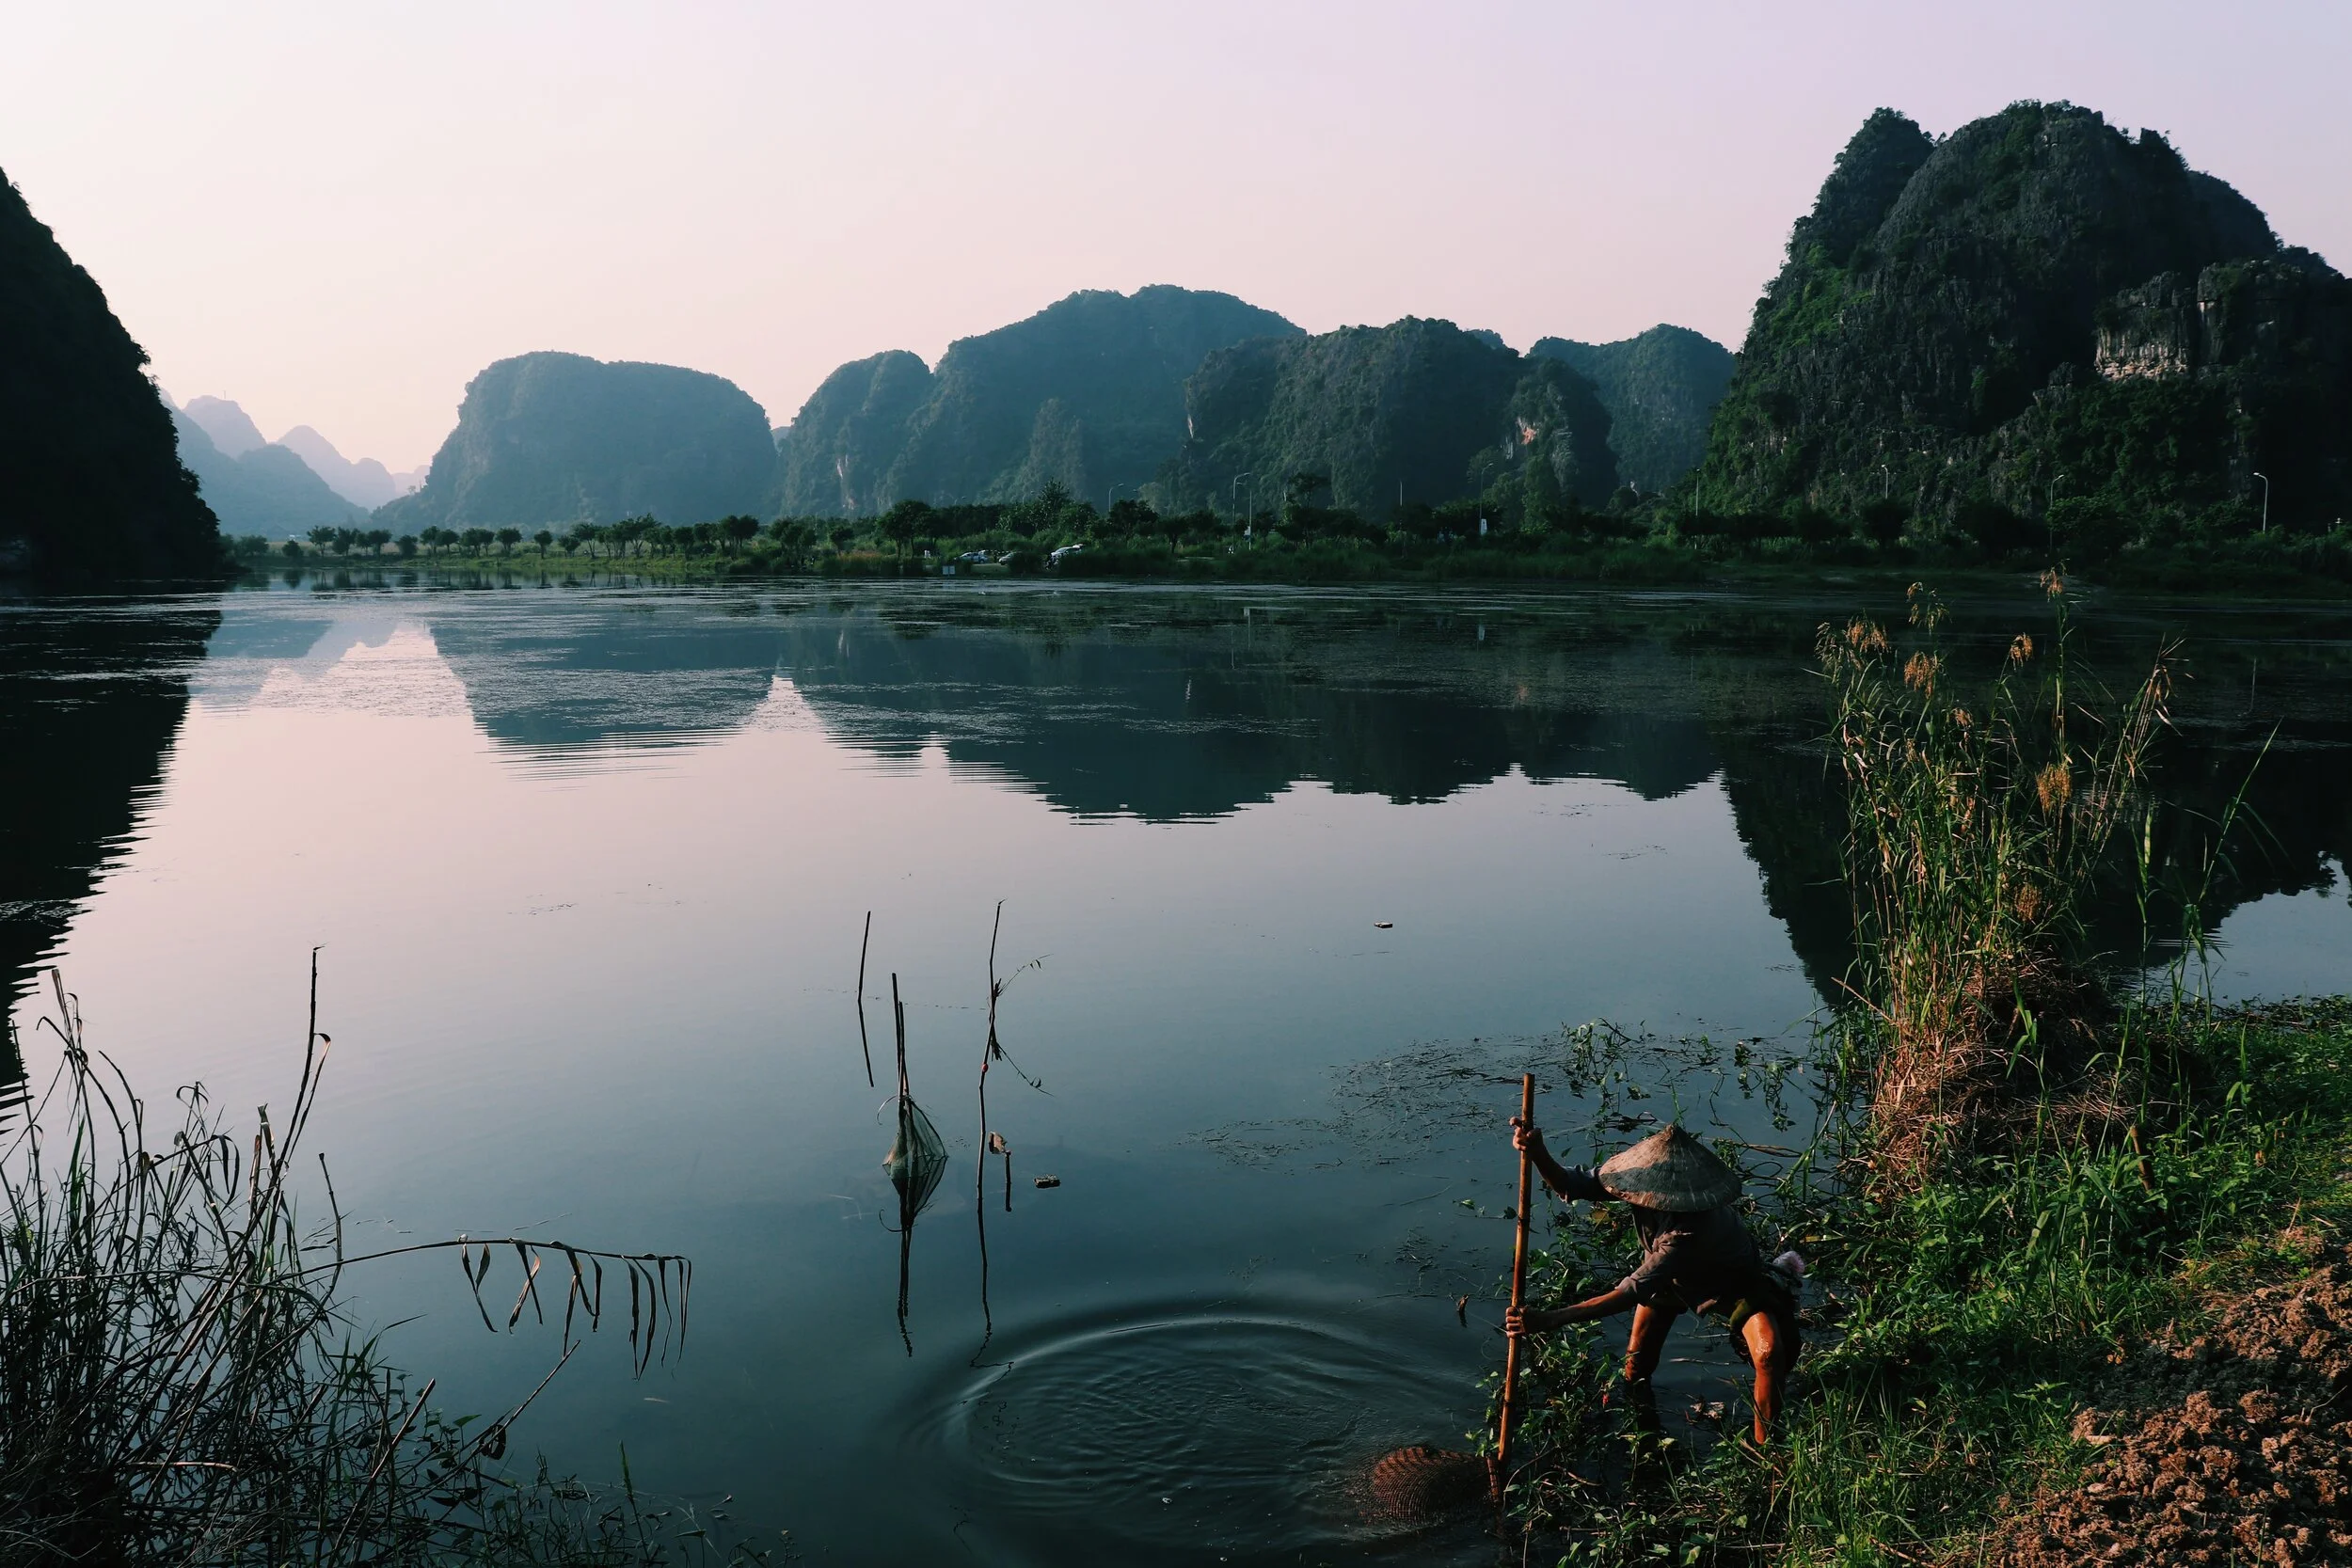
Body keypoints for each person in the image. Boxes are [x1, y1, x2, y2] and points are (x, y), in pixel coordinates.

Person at [1502, 1119, 1800, 1446]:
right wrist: (1537, 1151)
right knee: (1636, 1365)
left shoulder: (1689, 1229)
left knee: (1769, 1354)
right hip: (1669, 1279)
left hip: (1730, 1280)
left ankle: (1765, 1450)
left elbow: (1629, 1292)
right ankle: (1640, 1429)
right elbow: (1570, 1184)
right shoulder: (1637, 1185)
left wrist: (1550, 1319)